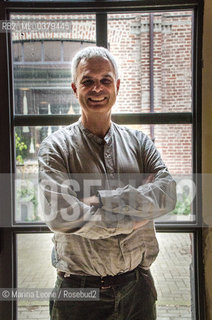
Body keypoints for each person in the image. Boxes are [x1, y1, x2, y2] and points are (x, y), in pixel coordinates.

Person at [38, 46, 176, 320]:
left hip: (137, 289)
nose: (97, 88)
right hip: (78, 293)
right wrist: (134, 217)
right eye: (88, 81)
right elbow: (61, 216)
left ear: (117, 86)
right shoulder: (55, 148)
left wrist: (101, 200)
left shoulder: (140, 143)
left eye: (105, 80)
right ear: (75, 88)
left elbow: (168, 193)